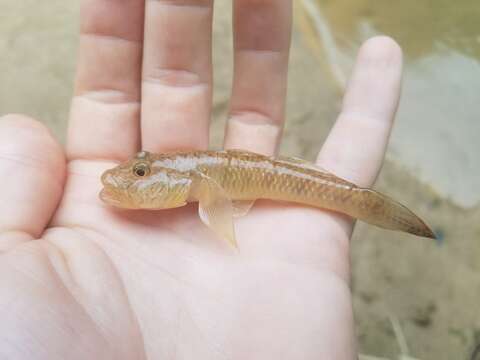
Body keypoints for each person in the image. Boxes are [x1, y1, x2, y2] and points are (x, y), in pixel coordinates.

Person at [0, 1, 403, 359]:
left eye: (141, 172)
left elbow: (216, 203)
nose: (127, 178)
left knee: (336, 190)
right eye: (141, 170)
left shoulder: (201, 181)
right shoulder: (187, 179)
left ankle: (360, 201)